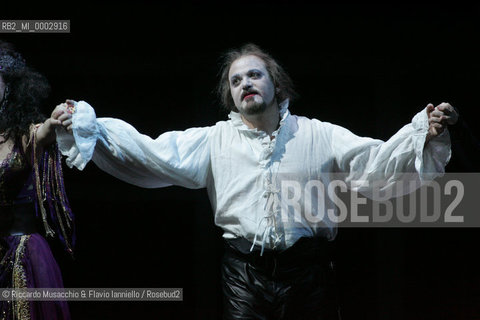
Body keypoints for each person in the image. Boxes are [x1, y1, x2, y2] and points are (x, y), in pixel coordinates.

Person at [54, 43, 453, 319]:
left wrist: (423, 134)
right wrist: (91, 126)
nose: (245, 83)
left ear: (274, 84)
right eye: (236, 80)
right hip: (245, 276)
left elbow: (376, 163)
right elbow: (152, 153)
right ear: (230, 95)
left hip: (308, 274)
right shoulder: (215, 140)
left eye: (254, 75)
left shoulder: (319, 134)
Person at [0, 41, 74, 320]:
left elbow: (44, 133)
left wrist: (55, 120)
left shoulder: (22, 137)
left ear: (9, 89)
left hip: (22, 257)